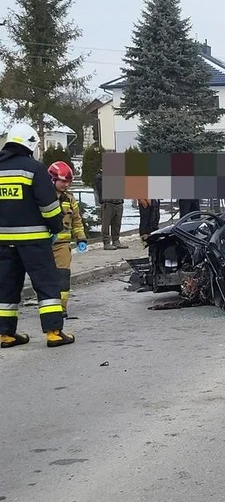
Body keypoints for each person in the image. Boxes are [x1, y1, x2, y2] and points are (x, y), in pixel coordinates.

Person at [0, 123, 75, 348]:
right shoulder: (34, 168)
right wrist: (56, 227)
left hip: (3, 241)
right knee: (46, 283)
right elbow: (49, 206)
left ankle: (5, 334)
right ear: (30, 143)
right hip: (34, 240)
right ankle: (53, 332)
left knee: (6, 286)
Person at [48, 161, 88, 319]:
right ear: (52, 180)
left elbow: (77, 221)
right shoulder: (43, 197)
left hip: (62, 245)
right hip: (43, 245)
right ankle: (48, 306)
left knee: (63, 276)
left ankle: (61, 307)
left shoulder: (70, 199)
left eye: (69, 182)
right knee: (46, 278)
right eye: (63, 181)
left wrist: (81, 238)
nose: (66, 185)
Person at [95, 167, 128, 250]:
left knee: (117, 224)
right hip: (108, 202)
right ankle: (106, 242)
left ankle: (116, 240)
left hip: (118, 202)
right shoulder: (100, 177)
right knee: (106, 224)